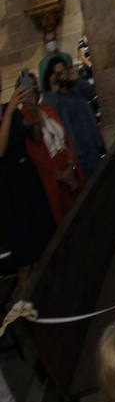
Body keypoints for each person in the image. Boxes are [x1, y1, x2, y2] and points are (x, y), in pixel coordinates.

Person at [0, 76, 55, 284]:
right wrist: (11, 109)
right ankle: (27, 310)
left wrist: (32, 110)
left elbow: (37, 138)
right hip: (8, 190)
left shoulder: (10, 110)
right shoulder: (9, 111)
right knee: (24, 258)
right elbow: (1, 149)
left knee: (44, 243)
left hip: (28, 180)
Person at [15, 70, 82, 225]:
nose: (33, 90)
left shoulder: (48, 109)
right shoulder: (22, 118)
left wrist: (71, 165)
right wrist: (61, 175)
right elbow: (36, 150)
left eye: (34, 86)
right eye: (28, 87)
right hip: (52, 174)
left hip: (69, 165)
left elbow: (65, 138)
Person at [40, 52, 103, 181]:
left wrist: (77, 79)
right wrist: (54, 89)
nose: (62, 76)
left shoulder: (76, 90)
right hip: (76, 151)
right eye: (58, 74)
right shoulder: (51, 98)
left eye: (64, 71)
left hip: (92, 144)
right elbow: (50, 111)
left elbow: (91, 93)